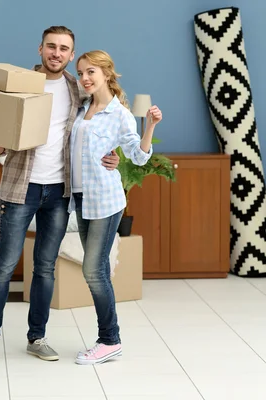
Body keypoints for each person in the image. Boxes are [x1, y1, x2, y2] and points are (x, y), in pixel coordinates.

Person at [0, 26, 120, 362]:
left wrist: (116, 153)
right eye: (52, 46)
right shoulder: (21, 86)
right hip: (21, 187)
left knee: (45, 267)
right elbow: (4, 138)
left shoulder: (78, 89)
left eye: (65, 49)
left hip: (60, 192)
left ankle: (37, 337)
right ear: (40, 49)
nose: (57, 53)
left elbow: (103, 121)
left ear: (70, 54)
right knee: (4, 267)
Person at [71, 50, 162, 365]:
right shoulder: (82, 109)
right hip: (81, 198)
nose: (84, 78)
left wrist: (149, 125)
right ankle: (109, 340)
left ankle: (110, 340)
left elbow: (137, 156)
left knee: (93, 270)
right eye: (81, 72)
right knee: (97, 271)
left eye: (91, 72)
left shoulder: (119, 113)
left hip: (106, 201)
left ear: (107, 73)